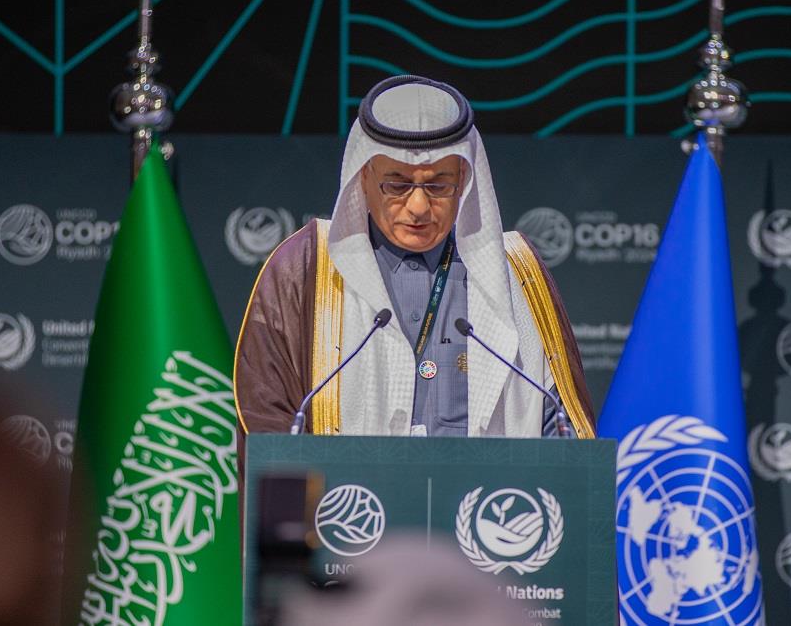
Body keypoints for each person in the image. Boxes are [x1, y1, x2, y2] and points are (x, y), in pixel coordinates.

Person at [234, 75, 594, 446]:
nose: (419, 206)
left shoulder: (517, 271)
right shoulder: (304, 268)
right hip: (349, 486)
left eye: (438, 185)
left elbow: (561, 422)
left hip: (491, 485)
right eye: (398, 184)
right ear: (364, 177)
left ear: (464, 180)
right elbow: (269, 421)